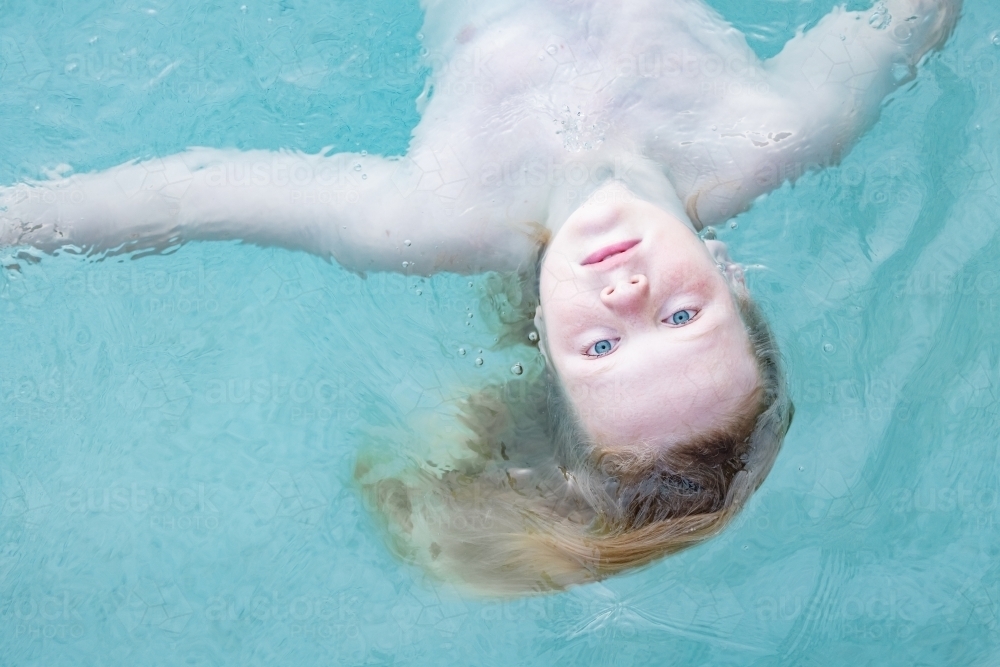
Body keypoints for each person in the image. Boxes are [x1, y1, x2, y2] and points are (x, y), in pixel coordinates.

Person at [0, 0, 960, 595]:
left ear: (543, 337)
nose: (628, 290)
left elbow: (186, 198)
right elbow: (910, 17)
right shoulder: (781, 131)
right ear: (731, 275)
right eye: (681, 316)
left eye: (603, 350)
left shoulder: (436, 220)